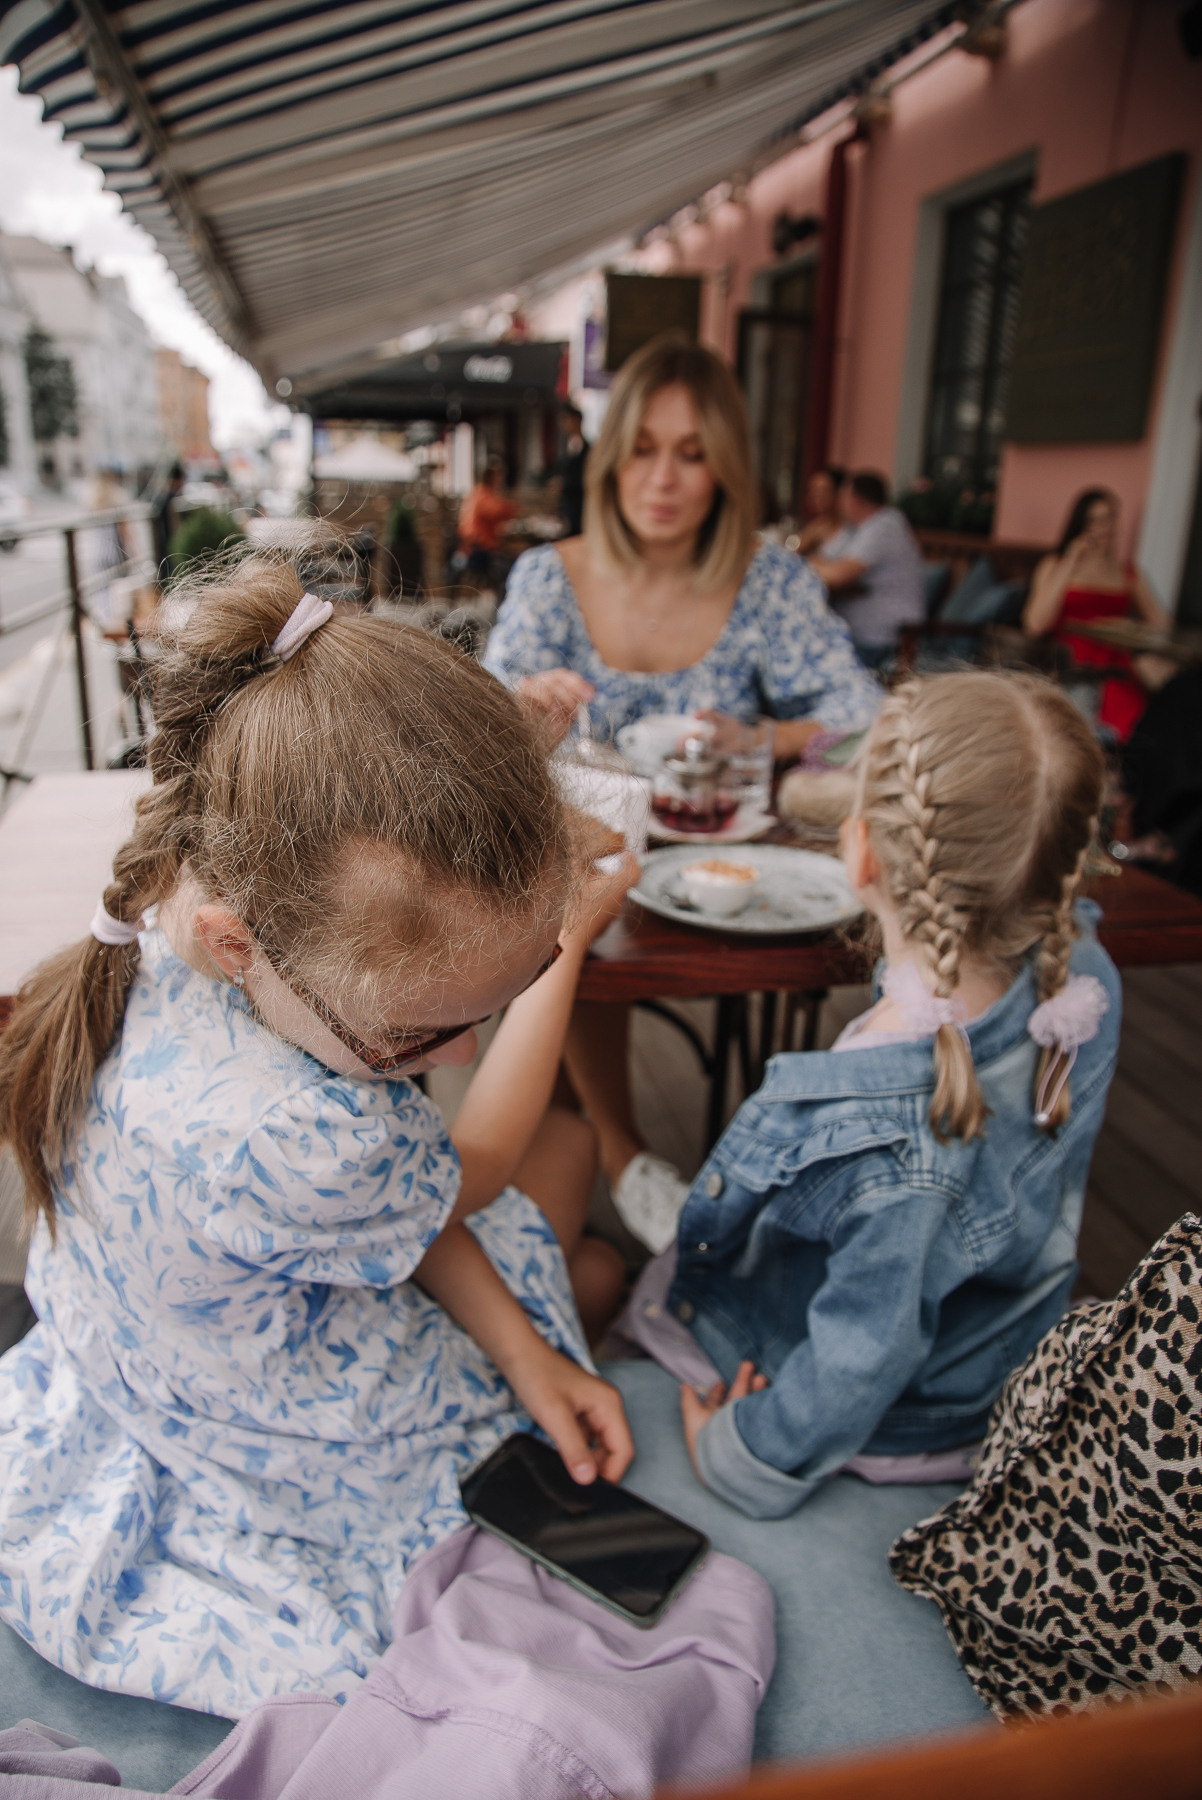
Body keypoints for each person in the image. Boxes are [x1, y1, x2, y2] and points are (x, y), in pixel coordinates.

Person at [0, 558, 645, 1715]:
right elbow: (472, 1171)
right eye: (419, 1036)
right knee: (563, 1172)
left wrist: (528, 1355)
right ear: (242, 942)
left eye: (509, 991)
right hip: (288, 1439)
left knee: (566, 1191)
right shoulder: (313, 1135)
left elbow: (433, 1191)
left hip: (140, 1362)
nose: (456, 1057)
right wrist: (570, 953)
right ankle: (596, 1293)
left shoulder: (170, 907)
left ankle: (582, 1300)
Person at [611, 671, 1121, 1520]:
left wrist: (744, 1453)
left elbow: (861, 1354)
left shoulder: (893, 1137)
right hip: (991, 1343)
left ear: (863, 853)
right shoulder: (1085, 981)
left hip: (899, 1417)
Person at [483, 335, 880, 1221]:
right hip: (583, 873)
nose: (663, 478)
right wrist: (527, 710)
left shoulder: (769, 581)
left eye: (693, 455)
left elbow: (864, 715)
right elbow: (482, 721)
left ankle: (748, 1185)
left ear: (726, 470)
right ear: (614, 455)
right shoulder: (550, 577)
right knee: (571, 907)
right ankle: (624, 1157)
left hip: (723, 874)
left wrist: (771, 735)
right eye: (646, 448)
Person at [1023, 487, 1172, 741]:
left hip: (1117, 666)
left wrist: (1130, 625)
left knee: (1138, 727)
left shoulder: (1127, 572)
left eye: (1112, 517)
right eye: (1097, 519)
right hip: (1070, 663)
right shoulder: (1055, 564)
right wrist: (1071, 561)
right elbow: (1035, 625)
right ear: (1082, 523)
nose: (1106, 526)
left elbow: (1164, 625)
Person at [809, 470, 926, 665]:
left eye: (843, 498)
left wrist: (806, 564)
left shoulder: (884, 525)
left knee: (811, 658)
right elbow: (823, 559)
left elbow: (839, 574)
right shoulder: (859, 527)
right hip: (858, 634)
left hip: (882, 638)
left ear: (855, 500)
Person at [456, 458, 516, 586]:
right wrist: (512, 508)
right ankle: (504, 600)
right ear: (491, 477)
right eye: (498, 476)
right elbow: (500, 511)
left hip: (471, 546)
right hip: (480, 549)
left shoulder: (475, 493)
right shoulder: (484, 495)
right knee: (513, 566)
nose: (500, 479)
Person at [794, 464, 847, 556]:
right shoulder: (817, 524)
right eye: (813, 490)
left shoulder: (848, 527)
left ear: (838, 493)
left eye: (823, 490)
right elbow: (793, 551)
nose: (816, 496)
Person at [555, 401, 590, 538]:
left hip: (581, 512)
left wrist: (565, 484)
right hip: (567, 511)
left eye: (566, 419)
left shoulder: (588, 450)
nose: (563, 425)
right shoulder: (567, 447)